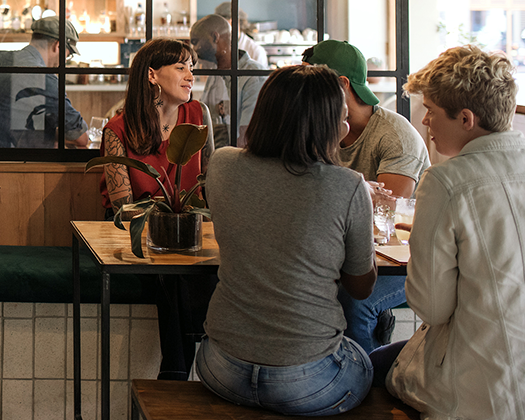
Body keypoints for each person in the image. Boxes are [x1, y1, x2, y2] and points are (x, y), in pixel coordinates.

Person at [197, 64, 376, 415]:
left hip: (219, 368)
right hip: (309, 381)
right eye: (341, 117)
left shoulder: (221, 165)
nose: (347, 125)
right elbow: (361, 288)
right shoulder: (348, 185)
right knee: (373, 361)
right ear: (324, 124)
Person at [373, 46, 525, 420]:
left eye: (432, 111)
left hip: (478, 383)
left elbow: (431, 307)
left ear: (466, 119)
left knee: (368, 367)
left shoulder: (445, 181)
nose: (424, 122)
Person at [303, 39, 429, 353]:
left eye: (311, 81)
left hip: (406, 263)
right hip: (349, 253)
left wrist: (334, 190)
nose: (303, 92)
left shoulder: (395, 136)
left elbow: (384, 218)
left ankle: (365, 390)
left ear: (342, 84)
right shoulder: (319, 127)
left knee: (355, 301)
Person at [100, 37, 214, 380]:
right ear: (152, 75)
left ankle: (174, 373)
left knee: (183, 260)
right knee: (171, 266)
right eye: (180, 67)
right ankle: (181, 372)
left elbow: (208, 182)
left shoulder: (198, 114)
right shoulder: (117, 129)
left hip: (188, 224)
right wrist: (170, 225)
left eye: (191, 67)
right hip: (133, 228)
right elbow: (123, 206)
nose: (190, 75)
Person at [0, 16, 89, 148]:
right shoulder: (45, 78)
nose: (65, 61)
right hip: (15, 162)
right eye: (68, 55)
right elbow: (80, 137)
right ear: (58, 46)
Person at [190, 13, 268, 148]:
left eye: (195, 42)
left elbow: (247, 139)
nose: (194, 50)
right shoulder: (216, 73)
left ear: (215, 37)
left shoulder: (253, 76)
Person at [213, 2, 268, 67]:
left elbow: (261, 76)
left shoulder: (256, 51)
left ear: (232, 22)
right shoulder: (215, 48)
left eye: (221, 24)